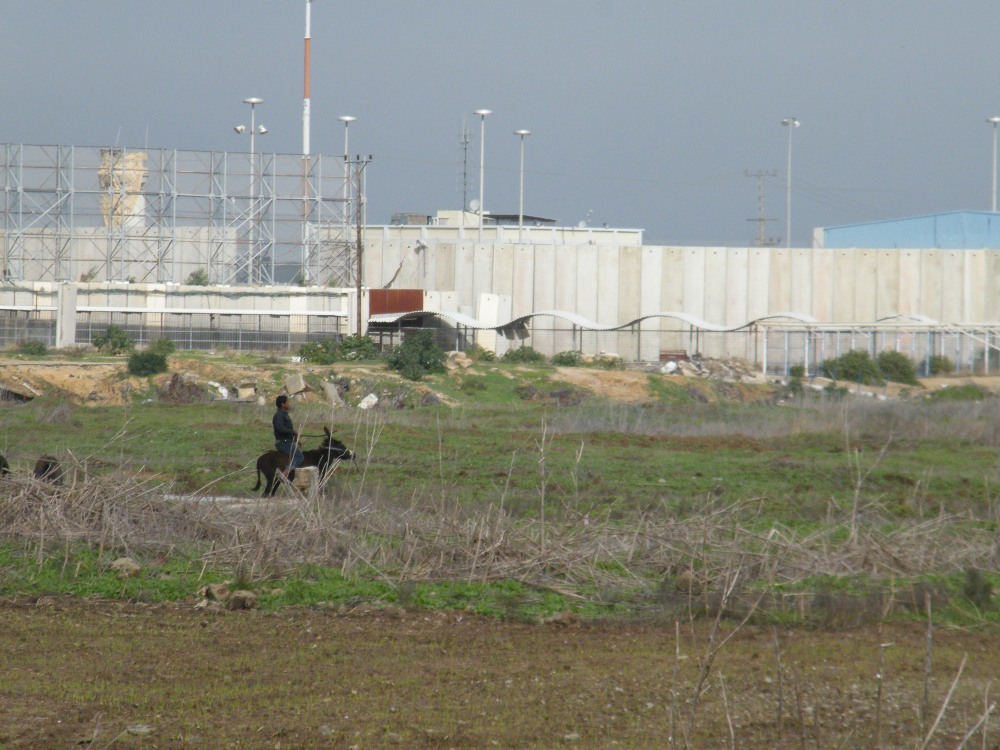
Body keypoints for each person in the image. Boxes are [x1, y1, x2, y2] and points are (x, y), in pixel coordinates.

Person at [272, 395, 304, 478]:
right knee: (299, 456)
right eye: (287, 402)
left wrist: (296, 439)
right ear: (283, 404)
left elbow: (287, 431)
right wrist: (294, 432)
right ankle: (285, 474)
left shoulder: (284, 415)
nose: (289, 404)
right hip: (283, 443)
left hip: (287, 442)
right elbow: (280, 428)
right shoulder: (279, 415)